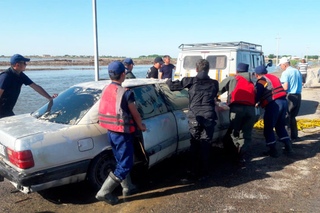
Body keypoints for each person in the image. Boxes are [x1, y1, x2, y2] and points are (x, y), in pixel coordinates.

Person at [96, 61, 146, 205]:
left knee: (120, 161)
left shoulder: (105, 89)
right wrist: (141, 125)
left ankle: (127, 187)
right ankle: (103, 192)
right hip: (122, 132)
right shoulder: (126, 93)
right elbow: (135, 113)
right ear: (123, 74)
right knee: (126, 164)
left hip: (110, 131)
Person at [166, 59, 218, 180]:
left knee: (195, 142)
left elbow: (172, 87)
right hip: (209, 115)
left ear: (196, 69)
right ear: (208, 70)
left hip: (195, 116)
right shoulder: (214, 83)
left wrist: (167, 80)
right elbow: (214, 95)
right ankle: (205, 172)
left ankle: (193, 171)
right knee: (206, 143)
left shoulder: (190, 80)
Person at [218, 63, 256, 165]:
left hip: (237, 109)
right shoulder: (252, 81)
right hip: (251, 110)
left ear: (237, 71)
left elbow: (217, 89)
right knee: (246, 134)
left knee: (234, 132)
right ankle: (242, 155)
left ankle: (234, 155)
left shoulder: (232, 79)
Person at [0, 54, 56, 118]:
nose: (26, 65)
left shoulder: (21, 75)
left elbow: (35, 87)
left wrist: (49, 98)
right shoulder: (5, 76)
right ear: (17, 65)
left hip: (7, 110)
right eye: (24, 63)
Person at [254, 65, 293, 157]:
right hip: (283, 102)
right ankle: (288, 146)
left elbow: (258, 93)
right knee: (280, 125)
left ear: (256, 74)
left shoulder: (262, 81)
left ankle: (273, 150)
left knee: (268, 127)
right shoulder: (274, 77)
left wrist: (254, 102)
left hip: (274, 104)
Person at [279, 57, 302, 142]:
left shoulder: (285, 73)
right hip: (298, 95)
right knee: (293, 117)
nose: (280, 67)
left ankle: (286, 137)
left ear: (284, 65)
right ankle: (294, 135)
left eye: (281, 65)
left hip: (290, 96)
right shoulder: (297, 71)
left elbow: (285, 87)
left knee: (286, 116)